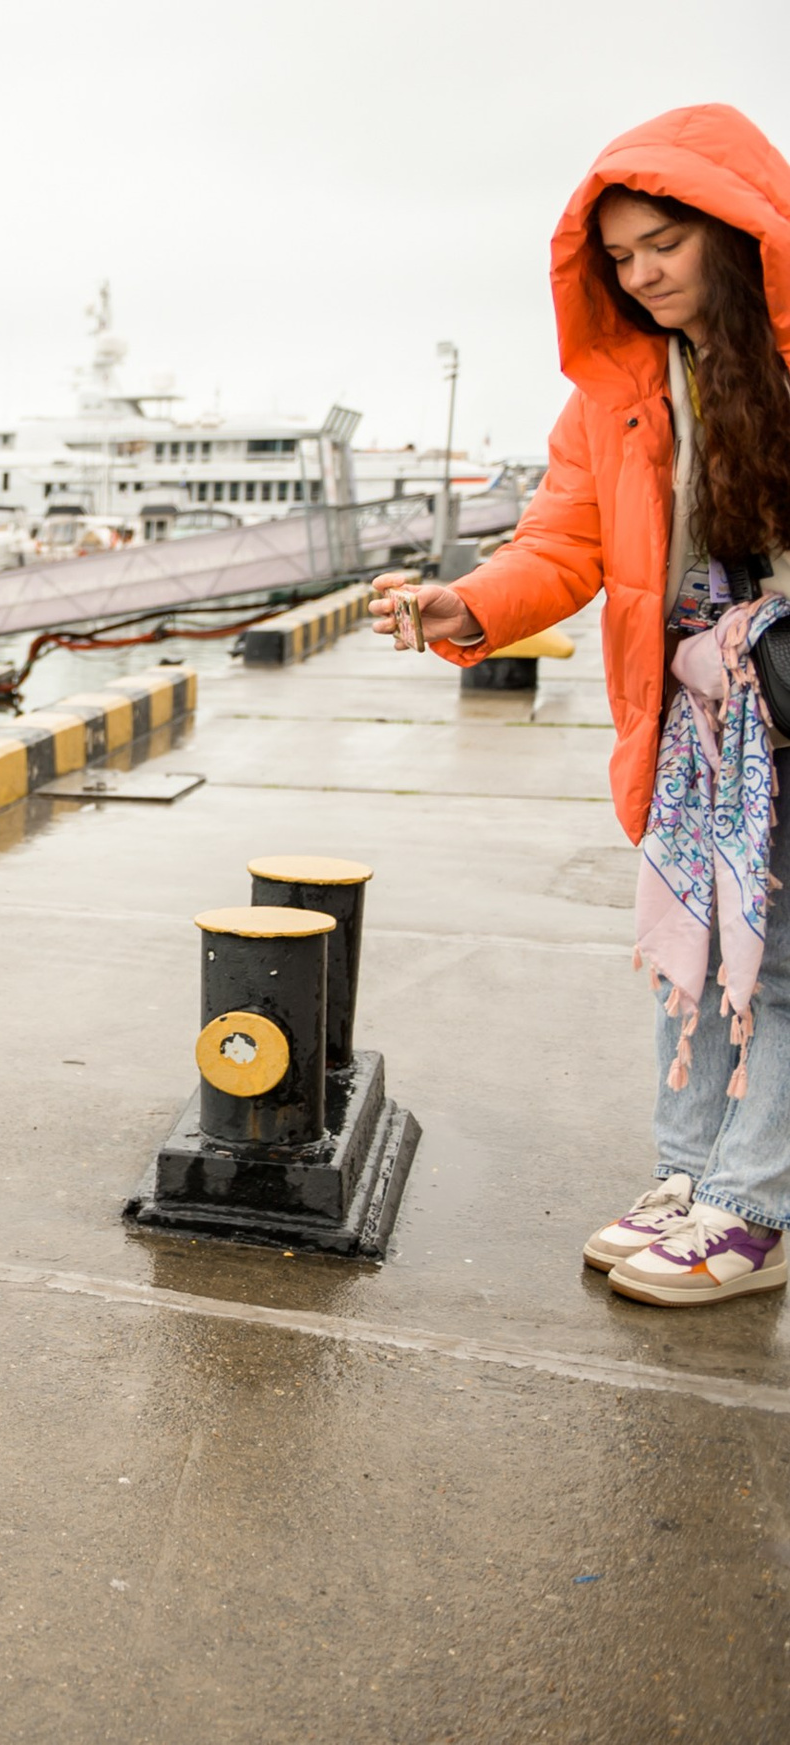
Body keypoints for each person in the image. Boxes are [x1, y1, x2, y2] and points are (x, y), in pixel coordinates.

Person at [368, 104, 790, 1308]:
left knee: (781, 963)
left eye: (663, 241)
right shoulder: (614, 386)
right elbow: (561, 539)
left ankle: (753, 1210)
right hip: (690, 725)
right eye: (617, 255)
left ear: (732, 227)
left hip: (787, 717)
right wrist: (467, 605)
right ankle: (692, 1170)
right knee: (689, 951)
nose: (641, 272)